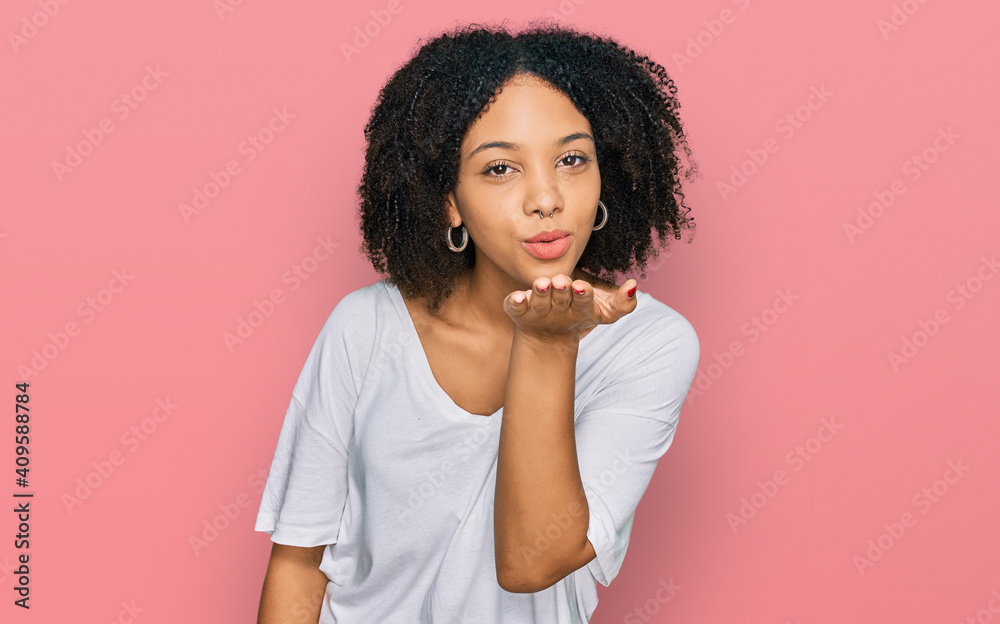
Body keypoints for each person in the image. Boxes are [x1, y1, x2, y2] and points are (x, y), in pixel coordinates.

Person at [254, 20, 701, 624]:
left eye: (572, 159)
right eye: (500, 169)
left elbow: (529, 563)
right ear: (448, 198)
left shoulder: (648, 346)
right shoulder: (365, 329)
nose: (546, 198)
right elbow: (298, 562)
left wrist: (547, 342)